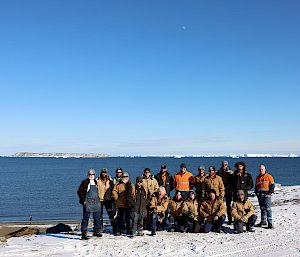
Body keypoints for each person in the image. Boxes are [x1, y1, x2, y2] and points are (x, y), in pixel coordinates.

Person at [77, 169, 102, 239]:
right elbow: (79, 191)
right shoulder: (85, 182)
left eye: (92, 174)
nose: (91, 175)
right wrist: (83, 200)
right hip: (87, 202)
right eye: (90, 174)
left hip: (96, 202)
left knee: (97, 217)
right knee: (86, 218)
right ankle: (84, 233)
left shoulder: (96, 182)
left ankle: (96, 231)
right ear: (88, 174)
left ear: (94, 174)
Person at [96, 168, 117, 234]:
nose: (104, 174)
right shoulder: (97, 180)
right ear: (101, 173)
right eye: (103, 172)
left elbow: (113, 189)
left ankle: (114, 228)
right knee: (99, 215)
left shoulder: (110, 180)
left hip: (108, 200)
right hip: (100, 200)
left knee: (111, 214)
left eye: (105, 172)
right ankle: (99, 228)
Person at [255, 165, 275, 229]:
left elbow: (272, 185)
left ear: (265, 169)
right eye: (260, 169)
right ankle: (263, 221)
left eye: (262, 169)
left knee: (268, 208)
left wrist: (270, 193)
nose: (261, 170)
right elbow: (256, 186)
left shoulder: (269, 176)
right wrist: (257, 193)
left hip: (267, 195)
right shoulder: (258, 177)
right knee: (262, 208)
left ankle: (270, 223)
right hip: (260, 195)